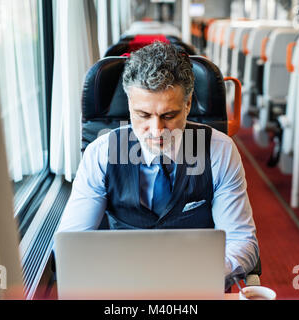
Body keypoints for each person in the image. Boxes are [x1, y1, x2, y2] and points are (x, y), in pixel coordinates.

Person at [57, 41, 259, 287]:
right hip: (124, 286)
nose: (156, 130)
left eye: (168, 115)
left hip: (196, 286)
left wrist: (197, 278)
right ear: (130, 106)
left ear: (187, 105)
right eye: (143, 115)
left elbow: (242, 242)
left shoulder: (219, 151)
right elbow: (70, 245)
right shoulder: (99, 154)